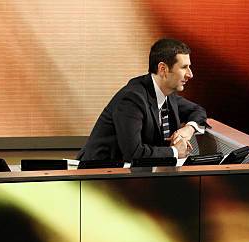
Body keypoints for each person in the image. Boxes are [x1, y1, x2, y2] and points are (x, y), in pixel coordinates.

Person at [77, 38, 208, 162]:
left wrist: (188, 129)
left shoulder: (168, 94)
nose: (190, 74)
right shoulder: (132, 99)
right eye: (184, 67)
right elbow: (133, 153)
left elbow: (198, 111)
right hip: (96, 175)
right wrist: (174, 151)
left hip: (135, 176)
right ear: (163, 69)